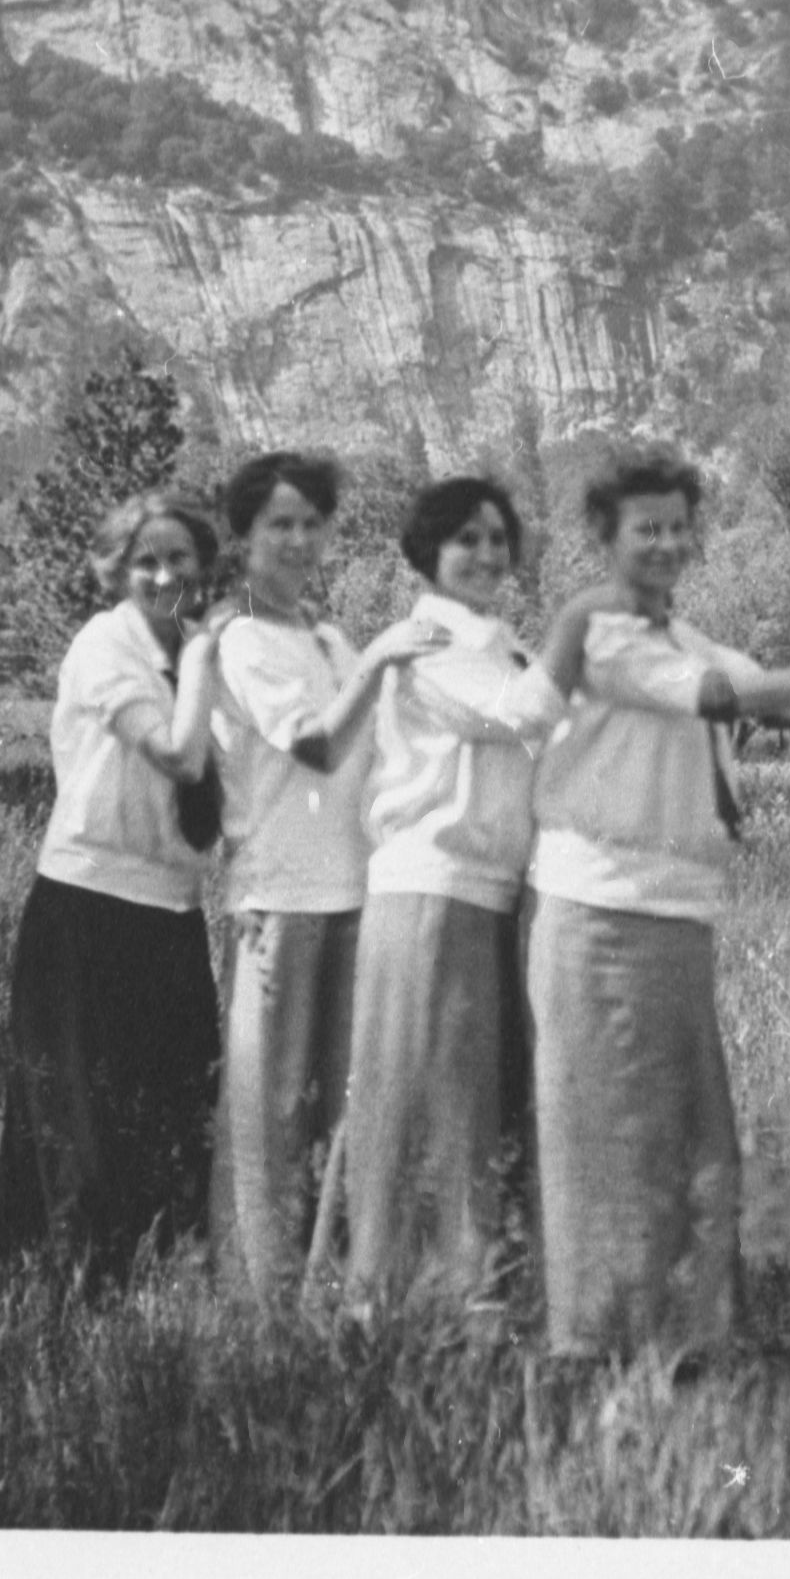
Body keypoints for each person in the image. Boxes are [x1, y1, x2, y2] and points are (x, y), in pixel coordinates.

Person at [525, 447, 790, 1365]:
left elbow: (771, 705)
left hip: (676, 913)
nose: (663, 542)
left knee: (685, 1130)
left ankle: (683, 1336)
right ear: (606, 539)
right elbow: (721, 699)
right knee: (608, 1131)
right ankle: (598, 1339)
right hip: (598, 909)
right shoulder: (602, 632)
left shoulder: (684, 635)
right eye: (643, 528)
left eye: (675, 526)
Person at [337, 477, 601, 1325]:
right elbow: (512, 719)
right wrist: (579, 635)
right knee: (422, 1098)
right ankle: (394, 1304)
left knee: (470, 1106)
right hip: (428, 885)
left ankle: (469, 1298)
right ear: (427, 553)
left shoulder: (502, 640)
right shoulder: (425, 638)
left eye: (497, 539)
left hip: (486, 895)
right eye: (466, 541)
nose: (487, 555)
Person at [207, 450, 444, 1299]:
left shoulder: (332, 638)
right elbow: (316, 745)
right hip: (278, 898)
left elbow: (379, 749)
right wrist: (383, 657)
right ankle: (253, 1296)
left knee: (341, 1113)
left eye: (312, 523)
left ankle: (319, 1287)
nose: (299, 540)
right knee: (269, 1112)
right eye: (279, 524)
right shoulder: (239, 641)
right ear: (243, 536)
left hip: (356, 893)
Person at [0, 489, 228, 1288]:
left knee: (172, 1139)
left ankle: (142, 1342)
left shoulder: (195, 651)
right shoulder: (102, 645)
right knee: (76, 1150)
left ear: (201, 566)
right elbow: (179, 757)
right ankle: (49, 1332)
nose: (163, 574)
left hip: (172, 920)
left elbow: (237, 785)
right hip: (84, 920)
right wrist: (202, 665)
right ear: (118, 571)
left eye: (177, 558)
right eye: (145, 561)